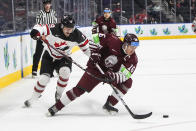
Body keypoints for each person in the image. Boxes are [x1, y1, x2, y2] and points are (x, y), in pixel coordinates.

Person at [47, 33, 139, 116]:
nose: (133, 50)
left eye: (135, 48)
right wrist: (95, 53)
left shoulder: (133, 59)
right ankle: (56, 107)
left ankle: (109, 104)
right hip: (96, 67)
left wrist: (113, 76)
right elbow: (94, 38)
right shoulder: (112, 40)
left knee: (128, 82)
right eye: (131, 47)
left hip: (110, 75)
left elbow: (124, 75)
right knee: (79, 90)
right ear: (125, 44)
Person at [24, 15, 90, 107]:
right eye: (67, 28)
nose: (69, 31)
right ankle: (34, 97)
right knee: (44, 79)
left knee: (65, 72)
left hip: (64, 57)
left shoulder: (77, 35)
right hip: (49, 56)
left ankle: (58, 95)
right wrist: (36, 31)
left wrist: (93, 58)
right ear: (62, 26)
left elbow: (87, 50)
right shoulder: (53, 28)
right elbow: (40, 27)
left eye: (71, 29)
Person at [32, 0, 57, 78]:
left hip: (50, 37)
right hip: (42, 36)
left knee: (52, 54)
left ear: (50, 4)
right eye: (46, 4)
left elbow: (54, 25)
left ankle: (51, 71)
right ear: (44, 5)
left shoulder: (53, 13)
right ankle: (34, 70)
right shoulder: (40, 13)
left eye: (48, 4)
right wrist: (42, 35)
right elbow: (39, 25)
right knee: (38, 53)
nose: (47, 5)